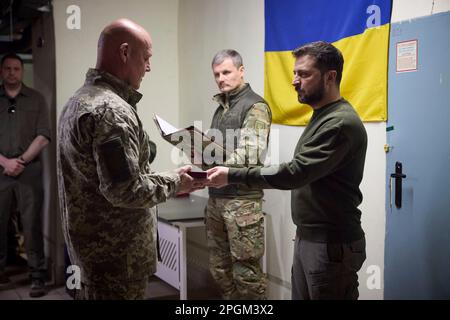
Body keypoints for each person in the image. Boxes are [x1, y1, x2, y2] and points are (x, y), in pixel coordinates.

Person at [207, 41, 368, 300]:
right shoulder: (322, 115)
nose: (294, 81)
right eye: (294, 73)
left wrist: (231, 173)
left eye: (303, 74)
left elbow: (295, 173)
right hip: (311, 237)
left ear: (330, 77)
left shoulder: (339, 123)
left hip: (330, 242)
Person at [57, 18, 202, 300]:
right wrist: (176, 183)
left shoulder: (79, 100)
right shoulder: (111, 111)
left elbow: (112, 179)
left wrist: (169, 177)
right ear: (125, 53)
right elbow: (125, 190)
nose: (149, 67)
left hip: (90, 254)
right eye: (146, 58)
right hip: (116, 258)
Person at [199, 50, 272, 299]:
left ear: (241, 71)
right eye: (217, 74)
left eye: (226, 72)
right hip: (217, 198)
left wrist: (222, 170)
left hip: (242, 202)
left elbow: (250, 153)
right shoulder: (221, 108)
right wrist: (199, 159)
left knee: (246, 275)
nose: (221, 78)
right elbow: (214, 150)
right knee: (220, 269)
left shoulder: (255, 106)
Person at [0, 53, 50, 297]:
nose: (12, 73)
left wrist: (19, 161)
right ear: (2, 72)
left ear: (22, 72)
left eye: (16, 69)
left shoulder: (37, 99)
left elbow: (43, 137)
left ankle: (37, 276)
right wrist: (5, 163)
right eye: (7, 68)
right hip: (0, 172)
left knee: (31, 224)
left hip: (29, 171)